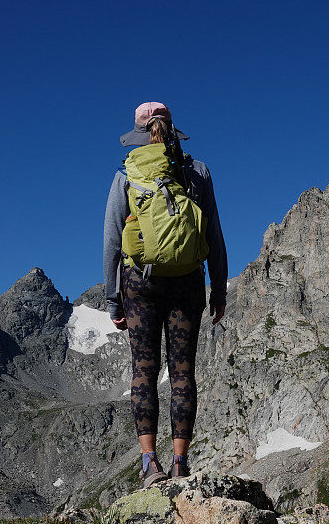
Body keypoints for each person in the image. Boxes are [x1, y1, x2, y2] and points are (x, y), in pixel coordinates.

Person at [103, 101, 227, 488]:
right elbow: (213, 236)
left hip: (140, 282)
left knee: (144, 370)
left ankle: (148, 463)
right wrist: (218, 289)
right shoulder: (197, 171)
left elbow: (111, 241)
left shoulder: (126, 173)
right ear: (174, 129)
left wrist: (112, 297)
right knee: (182, 373)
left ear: (138, 133)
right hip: (188, 280)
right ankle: (180, 463)